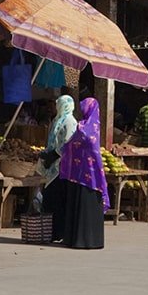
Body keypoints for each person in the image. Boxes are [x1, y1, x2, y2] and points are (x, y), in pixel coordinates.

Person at [55, 97, 108, 249]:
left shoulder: (85, 127)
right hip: (89, 174)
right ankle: (80, 240)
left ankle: (85, 240)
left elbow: (74, 146)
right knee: (83, 206)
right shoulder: (92, 126)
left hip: (82, 174)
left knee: (83, 207)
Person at [40, 95, 78, 236]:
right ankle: (52, 231)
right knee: (50, 198)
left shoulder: (70, 122)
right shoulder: (57, 120)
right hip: (53, 165)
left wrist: (54, 155)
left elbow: (68, 144)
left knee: (59, 200)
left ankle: (59, 231)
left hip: (62, 166)